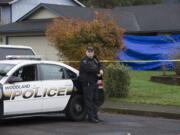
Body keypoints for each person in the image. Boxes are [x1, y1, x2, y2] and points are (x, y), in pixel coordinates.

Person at [79, 46, 103, 123]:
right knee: (89, 101)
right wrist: (99, 71)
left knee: (96, 100)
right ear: (86, 52)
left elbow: (100, 65)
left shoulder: (95, 59)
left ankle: (95, 116)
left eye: (91, 52)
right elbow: (89, 69)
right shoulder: (84, 61)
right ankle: (91, 117)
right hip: (88, 83)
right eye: (89, 52)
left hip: (94, 82)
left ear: (93, 52)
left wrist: (101, 69)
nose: (90, 53)